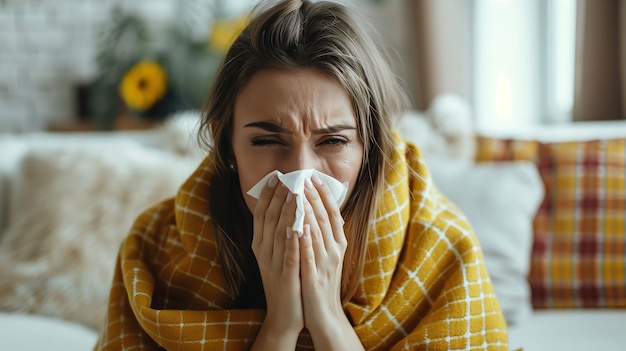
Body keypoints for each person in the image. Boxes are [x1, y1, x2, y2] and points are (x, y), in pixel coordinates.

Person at [94, 0, 509, 350]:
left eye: (332, 142)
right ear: (227, 146)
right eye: (265, 141)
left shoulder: (441, 244)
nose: (300, 173)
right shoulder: (152, 250)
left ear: (369, 148)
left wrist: (327, 320)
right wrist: (279, 327)